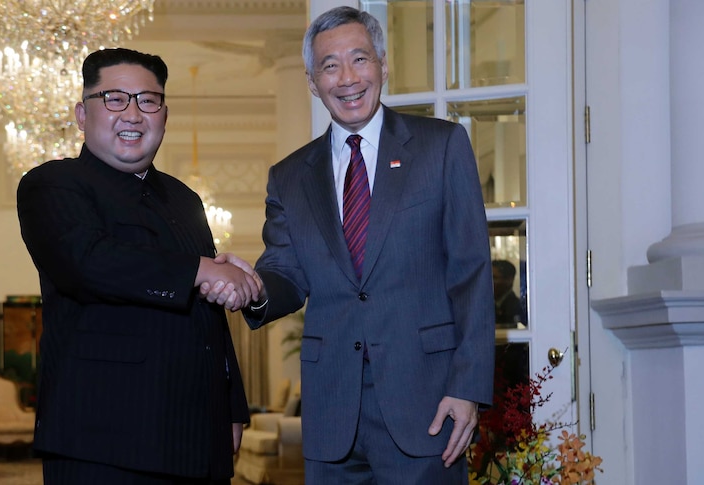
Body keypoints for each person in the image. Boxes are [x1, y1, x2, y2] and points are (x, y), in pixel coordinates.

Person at [209, 6, 496, 483]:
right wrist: (252, 286)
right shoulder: (288, 177)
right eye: (329, 65)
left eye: (359, 59)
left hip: (426, 401)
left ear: (382, 64)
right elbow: (286, 273)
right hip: (332, 409)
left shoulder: (441, 146)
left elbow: (470, 273)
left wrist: (467, 388)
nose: (347, 78)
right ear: (311, 80)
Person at [17, 47, 261, 484]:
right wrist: (203, 270)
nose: (132, 114)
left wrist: (232, 405)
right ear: (81, 113)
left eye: (148, 100)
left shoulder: (185, 199)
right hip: (103, 440)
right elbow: (88, 262)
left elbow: (210, 320)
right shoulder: (53, 183)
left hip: (197, 437)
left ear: (164, 115)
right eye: (114, 99)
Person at [492, 259, 522, 327]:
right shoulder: (484, 304)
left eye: (494, 278)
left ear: (509, 280)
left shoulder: (517, 308)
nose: (488, 282)